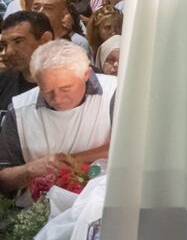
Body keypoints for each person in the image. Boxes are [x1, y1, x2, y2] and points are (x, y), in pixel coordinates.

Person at [0, 40, 116, 197]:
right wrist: (30, 169)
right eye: (46, 91)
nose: (57, 99)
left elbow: (134, 149)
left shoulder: (115, 93)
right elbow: (4, 179)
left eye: (65, 88)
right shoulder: (19, 109)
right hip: (41, 210)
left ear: (86, 75)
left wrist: (69, 160)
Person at [0, 12, 53, 114]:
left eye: (18, 41)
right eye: (4, 44)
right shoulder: (3, 81)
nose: (8, 52)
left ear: (46, 40)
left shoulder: (78, 80)